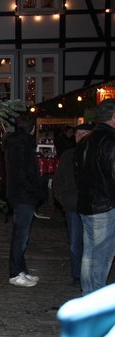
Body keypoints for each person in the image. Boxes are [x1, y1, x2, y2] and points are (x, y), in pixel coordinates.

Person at [75, 99, 115, 295]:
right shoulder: (111, 140)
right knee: (101, 255)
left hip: (87, 203)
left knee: (90, 253)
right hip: (105, 205)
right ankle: (95, 298)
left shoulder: (85, 140)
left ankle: (88, 294)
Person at [3, 114, 44, 287]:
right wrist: (34, 190)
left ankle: (21, 270)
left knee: (22, 235)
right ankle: (15, 273)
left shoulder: (17, 143)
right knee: (21, 235)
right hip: (23, 195)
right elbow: (23, 173)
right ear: (32, 128)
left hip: (20, 194)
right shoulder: (22, 144)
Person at [53, 123, 92, 287]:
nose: (80, 136)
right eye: (77, 134)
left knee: (92, 243)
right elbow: (58, 180)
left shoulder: (96, 153)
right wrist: (63, 199)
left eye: (83, 133)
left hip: (93, 205)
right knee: (75, 242)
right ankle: (77, 275)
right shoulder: (68, 155)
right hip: (72, 204)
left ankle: (90, 276)